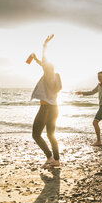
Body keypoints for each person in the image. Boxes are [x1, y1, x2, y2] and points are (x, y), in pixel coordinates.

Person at [30, 34, 62, 168]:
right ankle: (56, 160)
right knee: (50, 134)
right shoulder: (55, 76)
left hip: (46, 108)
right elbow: (43, 64)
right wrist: (36, 59)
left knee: (36, 135)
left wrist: (44, 46)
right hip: (54, 108)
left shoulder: (49, 75)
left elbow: (44, 62)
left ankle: (49, 157)